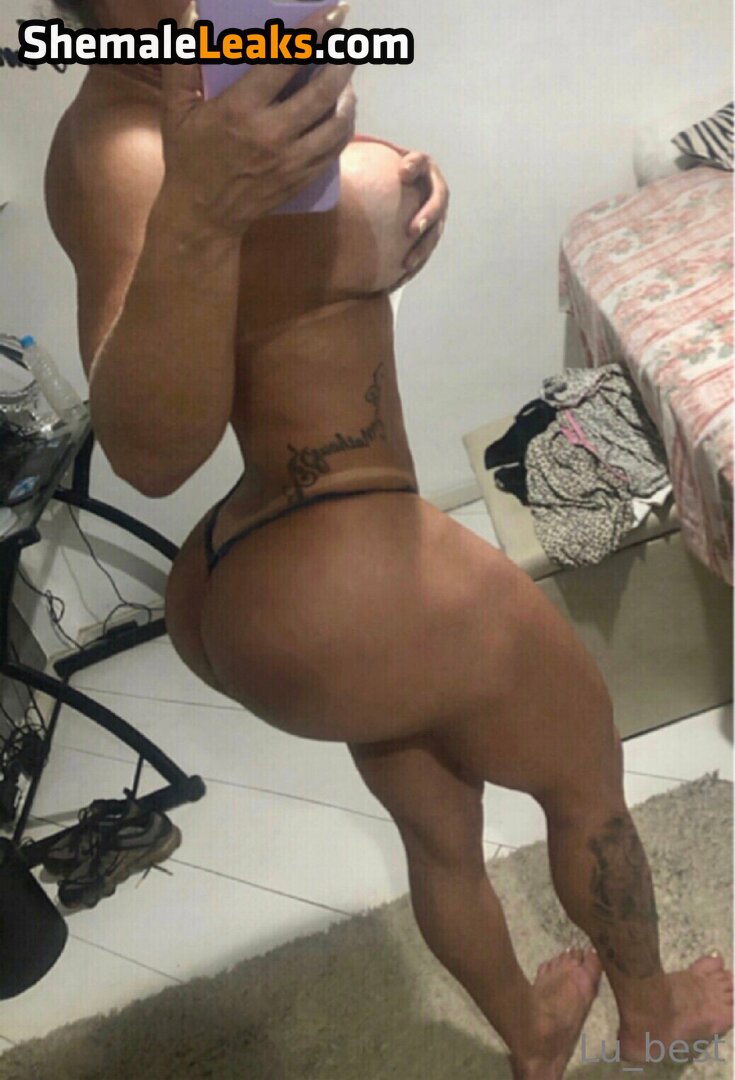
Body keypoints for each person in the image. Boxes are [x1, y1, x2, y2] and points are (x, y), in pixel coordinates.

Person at [45, 2, 732, 1077]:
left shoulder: (205, 65)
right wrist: (200, 215)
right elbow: (148, 451)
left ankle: (531, 1034)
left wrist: (392, 187)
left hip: (275, 572)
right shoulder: (125, 146)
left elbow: (275, 280)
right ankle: (653, 1013)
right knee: (584, 773)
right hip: (336, 570)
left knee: (438, 832)